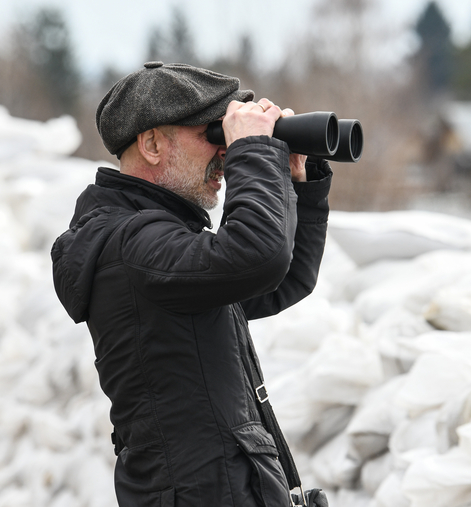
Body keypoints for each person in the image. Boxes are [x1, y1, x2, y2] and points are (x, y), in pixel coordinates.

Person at [51, 62, 332, 506]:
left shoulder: (163, 244)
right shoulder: (130, 244)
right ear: (152, 144)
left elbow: (283, 277)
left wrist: (299, 184)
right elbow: (256, 256)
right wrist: (255, 148)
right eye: (214, 135)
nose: (225, 153)